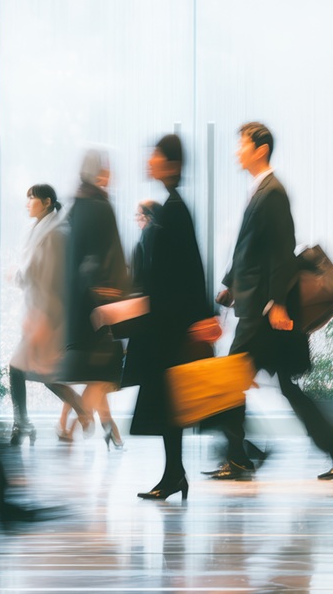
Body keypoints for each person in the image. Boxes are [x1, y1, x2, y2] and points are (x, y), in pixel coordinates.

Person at [211, 122, 333, 481]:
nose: (237, 151)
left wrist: (276, 302)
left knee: (229, 381)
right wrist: (229, 286)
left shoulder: (273, 192)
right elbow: (252, 250)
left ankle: (239, 456)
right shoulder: (260, 190)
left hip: (264, 313)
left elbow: (281, 250)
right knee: (285, 387)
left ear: (260, 149)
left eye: (242, 144)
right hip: (259, 308)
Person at [125, 134, 217, 500]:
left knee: (173, 403)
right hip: (167, 324)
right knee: (169, 405)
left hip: (172, 327)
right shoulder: (170, 207)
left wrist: (202, 317)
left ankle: (177, 473)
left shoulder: (175, 210)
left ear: (172, 164)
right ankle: (174, 474)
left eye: (156, 156)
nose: (150, 161)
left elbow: (191, 268)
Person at [57, 149, 130, 450]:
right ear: (99, 172)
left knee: (94, 371)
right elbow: (111, 257)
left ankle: (104, 426)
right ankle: (80, 422)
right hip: (102, 306)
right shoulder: (100, 206)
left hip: (77, 307)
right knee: (104, 371)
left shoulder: (76, 206)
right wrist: (119, 293)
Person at [7, 184, 89, 446]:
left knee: (25, 368)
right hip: (38, 312)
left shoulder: (55, 234)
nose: (27, 203)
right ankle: (26, 421)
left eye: (31, 198)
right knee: (39, 372)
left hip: (46, 314)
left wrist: (46, 318)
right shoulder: (42, 230)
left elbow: (50, 278)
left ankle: (24, 423)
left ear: (46, 201)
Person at [130, 200, 160, 288]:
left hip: (149, 283)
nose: (136, 219)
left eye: (138, 214)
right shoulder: (151, 231)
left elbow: (146, 261)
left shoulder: (149, 231)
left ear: (147, 216)